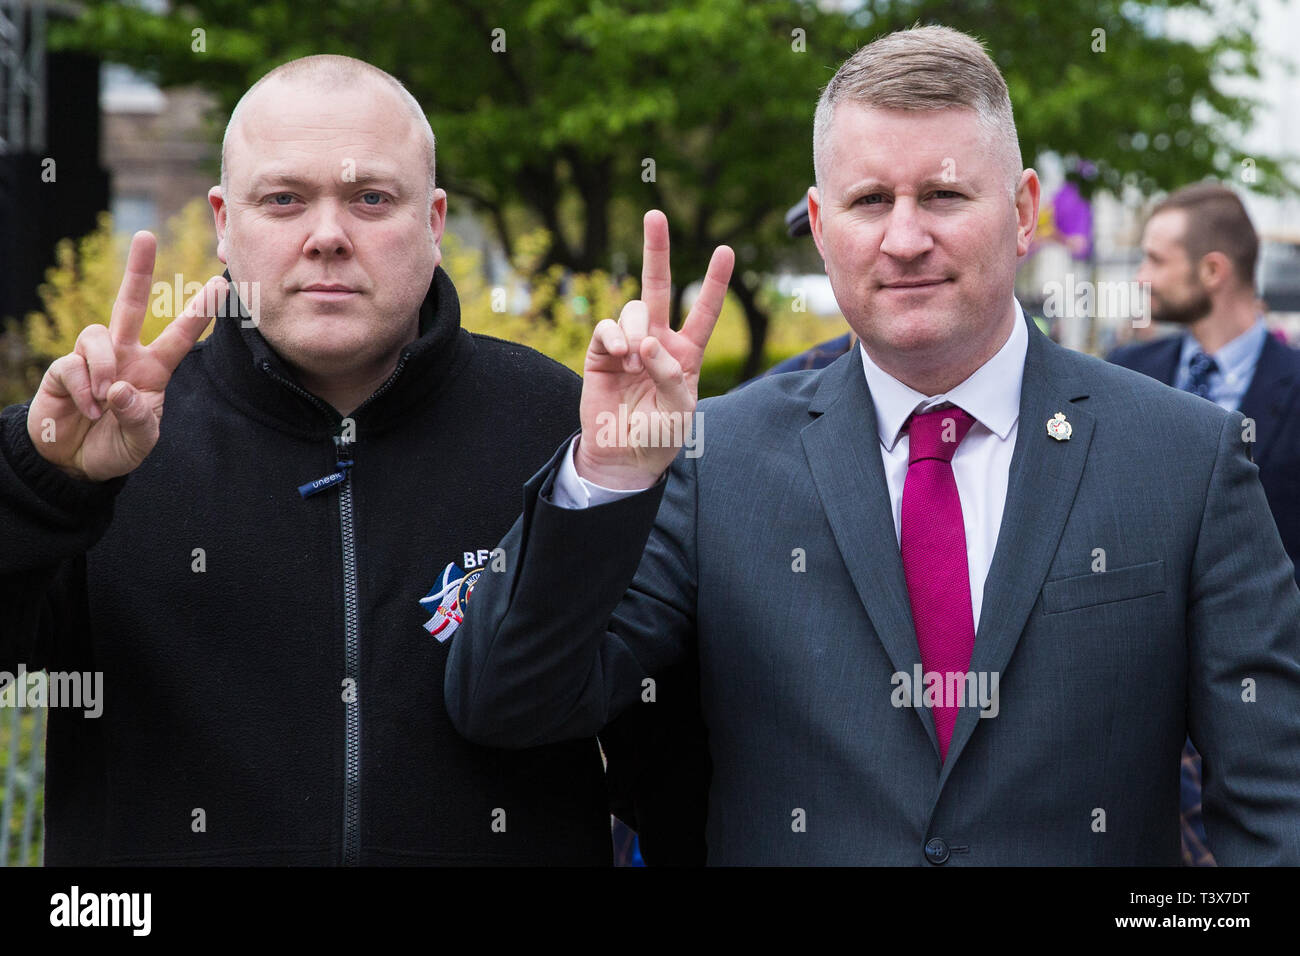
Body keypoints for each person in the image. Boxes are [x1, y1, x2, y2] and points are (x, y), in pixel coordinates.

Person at [446, 26, 1300, 864]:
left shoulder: (1185, 457)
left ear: (1024, 211)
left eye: (943, 195)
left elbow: (1274, 805)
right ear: (820, 225)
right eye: (869, 201)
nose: (903, 238)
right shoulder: (716, 462)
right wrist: (610, 472)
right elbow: (508, 701)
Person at [0, 54, 691, 865]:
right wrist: (44, 484)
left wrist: (612, 483)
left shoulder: (565, 425)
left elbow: (666, 755)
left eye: (370, 198)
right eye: (284, 199)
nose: (327, 236)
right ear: (224, 221)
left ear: (435, 222)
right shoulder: (101, 440)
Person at [1108, 183, 1300, 865]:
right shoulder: (1124, 375)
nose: (1141, 277)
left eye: (1156, 260)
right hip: (1132, 718)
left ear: (1212, 271)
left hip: (1262, 707)